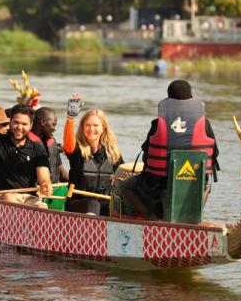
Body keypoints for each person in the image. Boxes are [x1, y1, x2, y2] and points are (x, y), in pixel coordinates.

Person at [121, 80, 220, 220]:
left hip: (157, 184)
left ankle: (153, 219)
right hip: (193, 182)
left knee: (125, 187)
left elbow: (146, 155)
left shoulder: (157, 124)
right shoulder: (205, 124)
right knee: (206, 186)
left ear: (168, 99)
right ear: (191, 97)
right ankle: (194, 218)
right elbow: (214, 154)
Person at [63, 93, 124, 215]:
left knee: (117, 207)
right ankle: (91, 232)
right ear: (82, 127)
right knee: (93, 204)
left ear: (103, 128)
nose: (91, 129)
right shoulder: (77, 150)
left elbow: (123, 175)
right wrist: (70, 119)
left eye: (95, 125)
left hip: (105, 202)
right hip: (78, 203)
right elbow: (68, 145)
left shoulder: (112, 153)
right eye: (88, 125)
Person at [29, 107, 69, 183]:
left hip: (55, 189)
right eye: (53, 124)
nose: (55, 129)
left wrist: (74, 182)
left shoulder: (52, 141)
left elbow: (60, 169)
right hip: (35, 191)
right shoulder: (26, 142)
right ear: (43, 122)